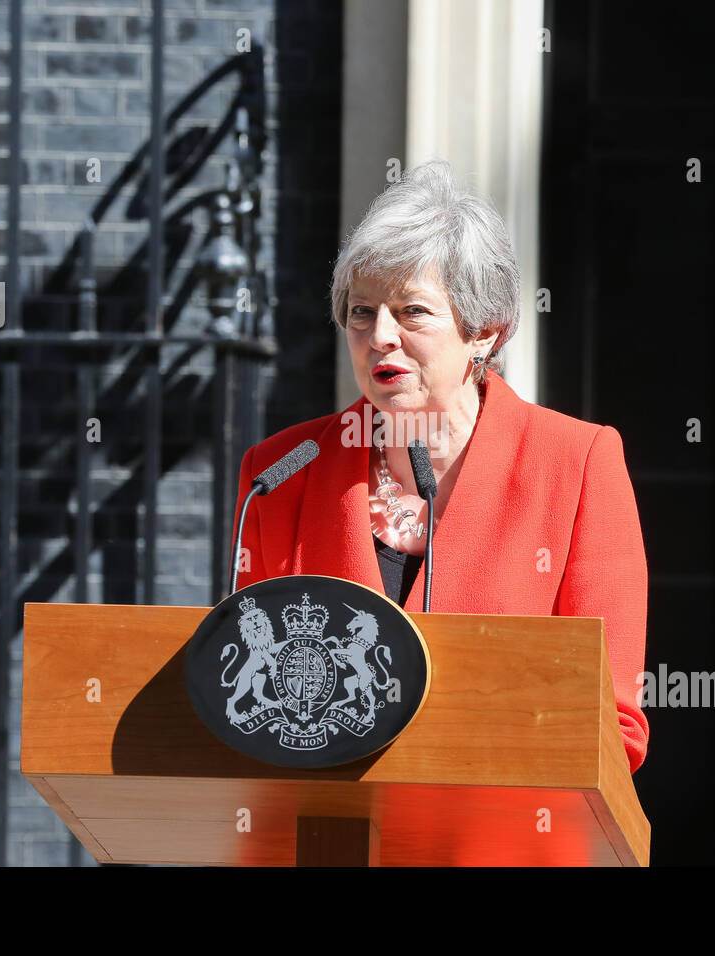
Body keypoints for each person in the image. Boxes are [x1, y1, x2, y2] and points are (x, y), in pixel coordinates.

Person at [233, 160, 650, 773]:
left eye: (412, 312)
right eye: (360, 311)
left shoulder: (577, 465)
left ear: (484, 331)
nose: (379, 336)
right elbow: (244, 702)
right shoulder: (279, 472)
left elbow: (614, 726)